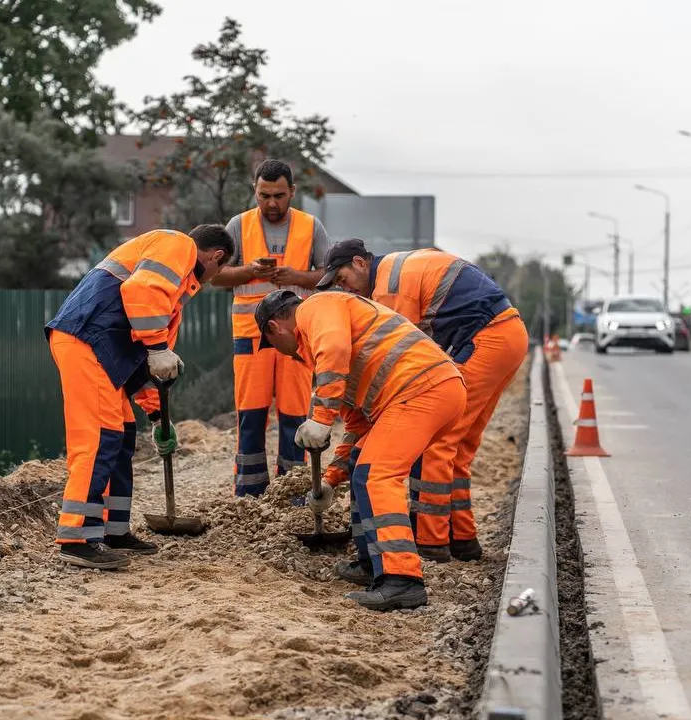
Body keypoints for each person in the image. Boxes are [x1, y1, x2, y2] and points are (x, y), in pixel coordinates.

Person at [316, 240, 528, 564]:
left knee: (435, 441)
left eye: (343, 279)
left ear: (360, 263)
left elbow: (403, 367)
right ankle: (462, 539)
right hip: (506, 336)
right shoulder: (398, 269)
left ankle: (431, 542)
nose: (345, 289)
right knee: (458, 446)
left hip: (484, 339)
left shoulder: (389, 289)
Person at [256, 289, 465, 611]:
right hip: (426, 391)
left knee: (377, 476)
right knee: (360, 464)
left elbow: (334, 348)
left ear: (274, 328)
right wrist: (330, 480)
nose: (282, 353)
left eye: (273, 345)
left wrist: (321, 417)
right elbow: (357, 426)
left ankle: (402, 579)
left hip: (422, 389)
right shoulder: (331, 353)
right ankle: (373, 562)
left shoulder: (317, 307)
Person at [45, 225, 234, 569]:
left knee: (123, 435)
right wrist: (159, 348)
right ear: (217, 257)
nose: (213, 278)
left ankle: (114, 530)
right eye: (219, 270)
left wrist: (159, 416)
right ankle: (77, 537)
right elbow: (140, 291)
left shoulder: (171, 298)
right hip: (87, 340)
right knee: (101, 437)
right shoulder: (179, 245)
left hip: (101, 346)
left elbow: (148, 367)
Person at [209, 159, 330, 497]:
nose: (272, 203)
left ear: (292, 192)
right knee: (250, 415)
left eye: (279, 195)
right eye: (264, 195)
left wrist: (296, 276)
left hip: (296, 338)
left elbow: (328, 274)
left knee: (295, 415)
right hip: (250, 338)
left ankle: (292, 492)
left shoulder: (311, 226)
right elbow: (215, 275)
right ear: (255, 191)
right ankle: (249, 494)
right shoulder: (239, 225)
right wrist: (250, 271)